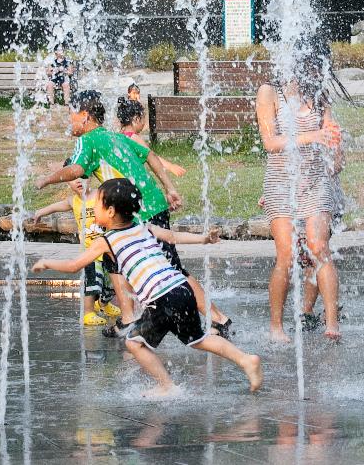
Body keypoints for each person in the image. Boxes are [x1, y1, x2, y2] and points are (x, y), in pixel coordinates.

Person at [31, 178, 263, 397]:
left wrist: (47, 262)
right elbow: (172, 236)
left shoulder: (107, 241)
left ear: (110, 211)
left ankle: (166, 386)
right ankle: (245, 360)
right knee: (199, 339)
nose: (93, 208)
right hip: (181, 288)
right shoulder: (143, 226)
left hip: (162, 298)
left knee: (134, 342)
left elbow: (74, 266)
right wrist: (204, 239)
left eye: (97, 204)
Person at [36, 91, 231, 339]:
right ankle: (129, 319)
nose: (69, 122)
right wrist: (169, 188)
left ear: (84, 116)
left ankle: (218, 319)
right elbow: (148, 155)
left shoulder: (88, 140)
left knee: (172, 270)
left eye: (71, 116)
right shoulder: (114, 137)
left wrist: (46, 180)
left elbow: (76, 169)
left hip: (139, 210)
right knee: (113, 256)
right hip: (149, 204)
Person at [255, 41, 344, 343]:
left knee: (319, 248)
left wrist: (335, 151)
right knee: (287, 256)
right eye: (313, 67)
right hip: (281, 183)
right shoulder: (270, 93)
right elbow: (271, 142)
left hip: (315, 181)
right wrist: (315, 135)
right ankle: (276, 326)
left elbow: (332, 140)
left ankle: (332, 322)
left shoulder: (319, 98)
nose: (317, 74)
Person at [31, 177, 119, 325]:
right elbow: (55, 206)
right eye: (73, 179)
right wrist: (40, 212)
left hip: (108, 249)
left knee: (111, 283)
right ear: (68, 182)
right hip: (89, 252)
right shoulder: (73, 201)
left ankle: (104, 304)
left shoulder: (101, 194)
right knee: (92, 283)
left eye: (82, 177)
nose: (78, 181)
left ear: (90, 178)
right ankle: (88, 313)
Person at [116, 98, 186, 178]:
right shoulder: (134, 138)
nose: (144, 122)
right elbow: (152, 156)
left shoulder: (118, 135)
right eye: (143, 118)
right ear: (137, 119)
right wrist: (170, 166)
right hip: (131, 180)